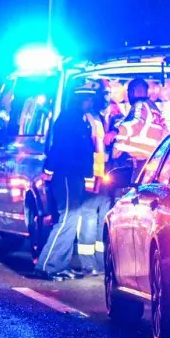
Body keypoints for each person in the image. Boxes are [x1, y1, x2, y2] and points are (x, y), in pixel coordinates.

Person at [33, 85, 103, 279]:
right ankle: (46, 266)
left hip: (75, 174)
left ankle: (59, 265)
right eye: (88, 99)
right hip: (66, 174)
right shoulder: (69, 119)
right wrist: (49, 169)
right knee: (67, 218)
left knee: (71, 219)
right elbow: (60, 147)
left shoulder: (79, 119)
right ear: (80, 100)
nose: (90, 103)